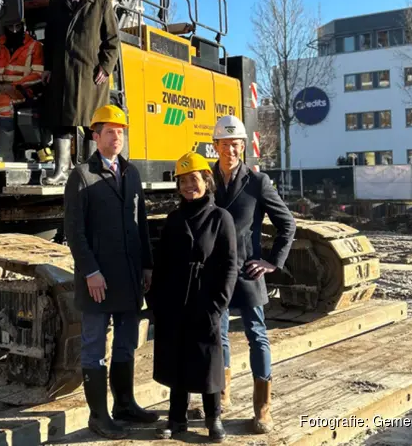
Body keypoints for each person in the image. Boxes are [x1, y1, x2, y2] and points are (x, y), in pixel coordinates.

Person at [63, 104, 158, 439]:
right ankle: (98, 415)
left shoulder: (130, 173)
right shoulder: (82, 176)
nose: (117, 137)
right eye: (110, 131)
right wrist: (90, 271)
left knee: (126, 344)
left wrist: (147, 264)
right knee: (94, 347)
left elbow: (140, 223)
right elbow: (75, 231)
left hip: (130, 276)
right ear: (95, 136)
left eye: (121, 131)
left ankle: (125, 404)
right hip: (98, 280)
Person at [212, 115, 296, 434]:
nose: (230, 150)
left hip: (248, 271)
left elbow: (287, 224)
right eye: (224, 144)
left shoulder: (258, 183)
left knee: (257, 335)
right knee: (218, 337)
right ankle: (222, 396)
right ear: (215, 145)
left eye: (236, 144)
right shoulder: (207, 180)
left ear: (243, 146)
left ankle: (263, 408)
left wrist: (272, 262)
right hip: (216, 274)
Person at [149, 152, 238, 443]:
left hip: (206, 300)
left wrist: (217, 306)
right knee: (176, 358)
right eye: (183, 181)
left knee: (209, 359)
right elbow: (161, 263)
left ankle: (214, 418)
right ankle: (177, 419)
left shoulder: (220, 218)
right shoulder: (174, 219)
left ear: (206, 181)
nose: (189, 186)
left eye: (194, 179)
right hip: (175, 300)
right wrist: (157, 302)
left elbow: (229, 266)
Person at [42, 0, 120, 185]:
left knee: (91, 123)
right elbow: (50, 40)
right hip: (62, 74)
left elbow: (113, 41)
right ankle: (62, 171)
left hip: (90, 75)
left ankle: (91, 172)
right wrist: (48, 68)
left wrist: (106, 67)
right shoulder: (56, 5)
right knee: (61, 121)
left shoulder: (102, 4)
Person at [0, 19, 52, 162]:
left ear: (23, 26)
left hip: (24, 91)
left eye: (17, 26)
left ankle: (5, 151)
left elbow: (38, 74)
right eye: (10, 26)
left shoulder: (35, 46)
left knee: (2, 102)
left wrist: (13, 85)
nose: (14, 30)